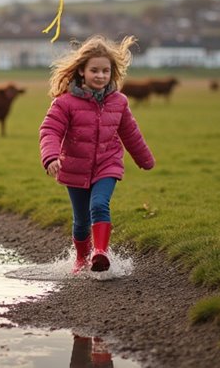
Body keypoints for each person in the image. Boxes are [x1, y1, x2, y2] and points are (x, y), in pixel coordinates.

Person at [39, 35, 155, 273]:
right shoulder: (64, 103)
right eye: (94, 70)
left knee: (100, 205)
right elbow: (50, 130)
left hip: (107, 164)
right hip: (75, 167)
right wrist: (50, 157)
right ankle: (81, 259)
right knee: (81, 221)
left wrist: (145, 159)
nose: (100, 75)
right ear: (82, 71)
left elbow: (130, 133)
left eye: (105, 71)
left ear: (112, 72)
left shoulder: (119, 102)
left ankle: (100, 253)